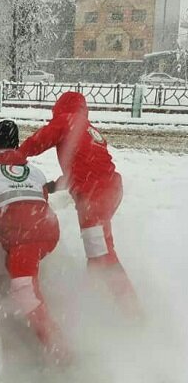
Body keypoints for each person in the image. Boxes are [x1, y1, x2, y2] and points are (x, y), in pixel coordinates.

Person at [17, 92, 140, 318]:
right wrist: (53, 186)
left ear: (60, 107)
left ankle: (131, 310)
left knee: (102, 254)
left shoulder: (67, 120)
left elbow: (39, 140)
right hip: (108, 189)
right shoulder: (87, 128)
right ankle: (95, 294)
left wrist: (18, 154)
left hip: (94, 195)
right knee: (99, 250)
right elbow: (83, 168)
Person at [0, 120, 70, 364]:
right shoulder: (37, 172)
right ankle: (37, 316)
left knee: (24, 293)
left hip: (22, 236)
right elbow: (39, 201)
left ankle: (60, 351)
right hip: (48, 232)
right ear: (16, 144)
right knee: (25, 279)